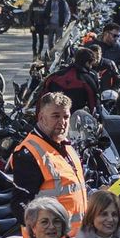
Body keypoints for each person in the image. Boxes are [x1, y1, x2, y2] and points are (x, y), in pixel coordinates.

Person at [9, 92, 88, 228]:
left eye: (66, 117)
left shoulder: (65, 145)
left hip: (76, 236)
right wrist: (47, 234)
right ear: (41, 118)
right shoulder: (29, 153)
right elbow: (20, 205)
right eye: (56, 116)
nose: (62, 122)